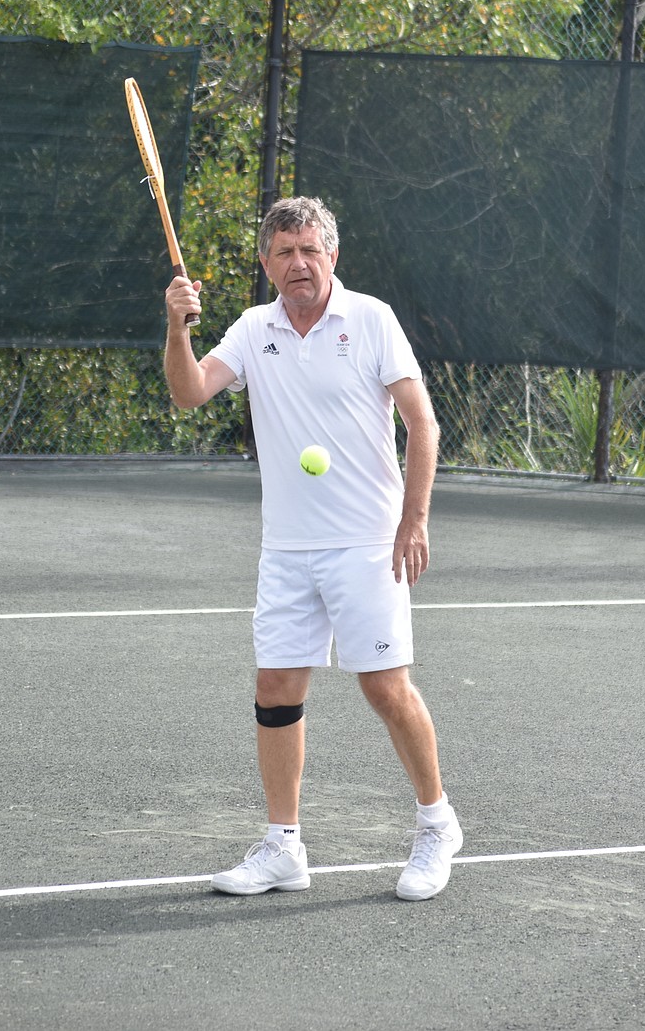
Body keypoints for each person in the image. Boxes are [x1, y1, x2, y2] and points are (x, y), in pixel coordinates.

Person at [164, 195, 462, 902]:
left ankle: (436, 823)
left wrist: (412, 520)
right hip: (288, 549)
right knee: (276, 688)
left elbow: (424, 424)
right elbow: (189, 393)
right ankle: (283, 845)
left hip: (366, 545)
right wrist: (176, 327)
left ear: (332, 254)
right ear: (266, 263)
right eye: (285, 251)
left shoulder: (370, 320)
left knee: (385, 688)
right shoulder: (251, 328)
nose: (300, 262)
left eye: (311, 248)